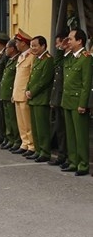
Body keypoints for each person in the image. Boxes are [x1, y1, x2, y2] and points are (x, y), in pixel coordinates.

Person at [61, 28, 92, 176]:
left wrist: (82, 104)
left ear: (80, 41)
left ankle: (83, 164)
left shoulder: (85, 58)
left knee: (80, 135)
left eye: (71, 39)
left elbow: (86, 84)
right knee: (71, 134)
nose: (68, 41)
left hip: (77, 101)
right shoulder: (70, 57)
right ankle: (73, 161)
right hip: (67, 100)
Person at [24, 36, 54, 162]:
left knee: (42, 127)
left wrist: (32, 91)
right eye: (31, 46)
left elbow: (44, 80)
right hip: (33, 97)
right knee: (35, 127)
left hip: (41, 98)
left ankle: (45, 152)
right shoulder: (37, 59)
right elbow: (32, 77)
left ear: (43, 46)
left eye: (35, 46)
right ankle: (37, 150)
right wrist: (27, 90)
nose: (33, 48)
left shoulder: (48, 60)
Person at [12, 29, 35, 157]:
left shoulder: (31, 57)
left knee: (28, 122)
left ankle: (31, 145)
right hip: (17, 93)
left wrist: (28, 91)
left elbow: (31, 76)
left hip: (25, 94)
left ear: (24, 43)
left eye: (17, 42)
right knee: (21, 122)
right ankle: (24, 143)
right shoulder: (21, 56)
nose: (16, 44)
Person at [48, 32, 69, 167]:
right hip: (59, 99)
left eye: (58, 43)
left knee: (68, 132)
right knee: (61, 130)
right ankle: (62, 155)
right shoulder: (63, 58)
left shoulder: (72, 58)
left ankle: (69, 156)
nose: (57, 46)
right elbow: (56, 66)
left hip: (67, 98)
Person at [0, 40, 22, 152]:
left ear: (12, 48)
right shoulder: (10, 60)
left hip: (11, 93)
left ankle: (17, 140)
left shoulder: (18, 59)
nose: (5, 50)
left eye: (7, 48)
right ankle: (10, 139)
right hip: (5, 93)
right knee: (8, 119)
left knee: (13, 119)